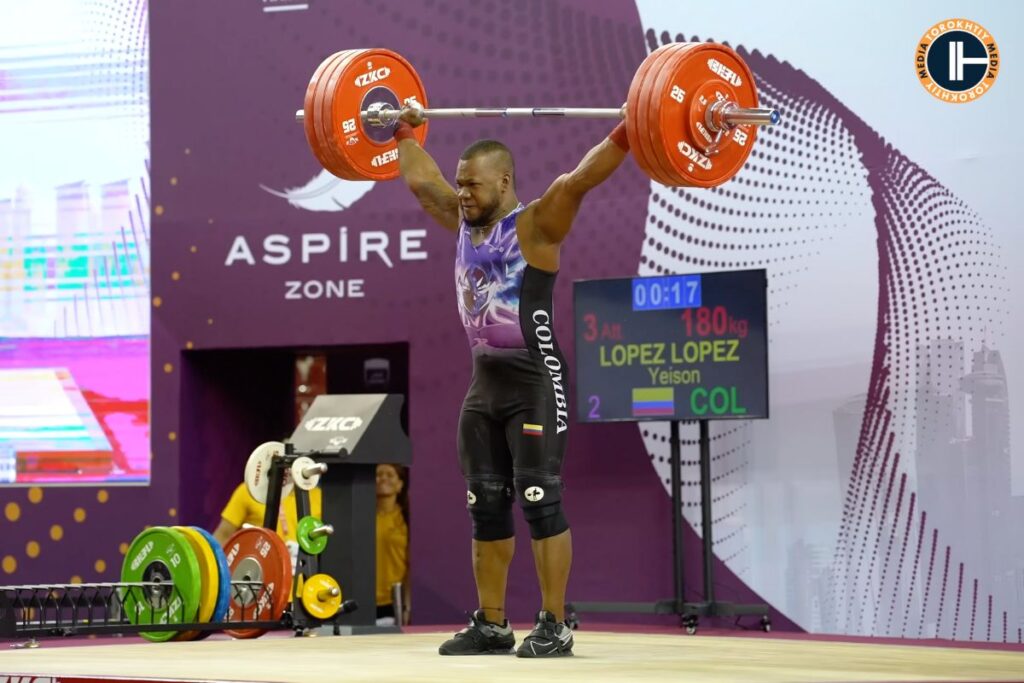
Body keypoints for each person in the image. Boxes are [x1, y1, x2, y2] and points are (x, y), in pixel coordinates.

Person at [395, 105, 629, 657]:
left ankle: (554, 623)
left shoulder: (536, 225)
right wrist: (401, 129)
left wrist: (630, 128)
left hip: (533, 383)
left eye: (472, 185)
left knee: (539, 499)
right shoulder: (460, 221)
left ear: (504, 180)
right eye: (461, 185)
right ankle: (493, 624)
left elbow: (583, 177)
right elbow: (422, 181)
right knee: (485, 503)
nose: (463, 194)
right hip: (484, 389)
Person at [213, 470, 323, 558]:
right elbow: (222, 536)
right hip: (255, 577)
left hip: (303, 580)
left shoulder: (320, 498)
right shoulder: (249, 490)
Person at [375, 463, 410, 625]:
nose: (383, 478)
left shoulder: (407, 520)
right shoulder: (363, 518)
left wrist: (407, 605)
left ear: (400, 484)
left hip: (395, 601)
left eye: (389, 475)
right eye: (378, 474)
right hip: (366, 601)